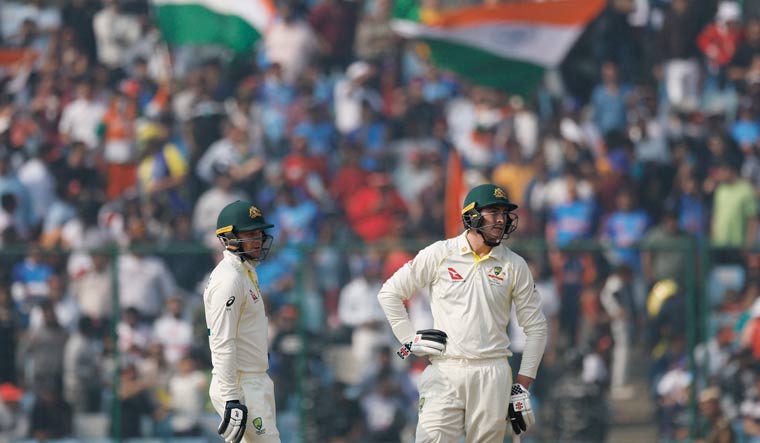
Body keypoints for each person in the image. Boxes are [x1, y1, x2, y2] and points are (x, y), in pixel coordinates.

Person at [377, 183, 548, 442]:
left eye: (504, 213)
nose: (501, 219)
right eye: (493, 212)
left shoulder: (515, 265)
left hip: (493, 372)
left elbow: (536, 328)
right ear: (472, 215)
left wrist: (522, 387)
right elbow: (389, 293)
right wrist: (409, 341)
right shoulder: (440, 254)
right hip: (446, 369)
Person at [204, 200, 281, 443]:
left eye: (259, 233)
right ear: (228, 238)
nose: (257, 240)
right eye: (249, 234)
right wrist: (230, 398)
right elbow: (222, 341)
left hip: (255, 379)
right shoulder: (229, 279)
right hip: (241, 383)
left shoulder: (247, 270)